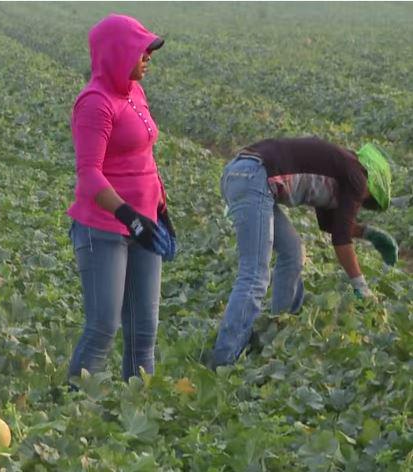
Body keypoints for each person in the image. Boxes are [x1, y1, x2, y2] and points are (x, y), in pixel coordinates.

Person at [211, 138, 397, 367]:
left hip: (246, 174)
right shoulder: (356, 175)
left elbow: (333, 225)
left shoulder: (338, 170)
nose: (360, 202)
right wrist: (360, 286)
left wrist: (369, 234)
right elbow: (341, 239)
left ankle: (279, 328)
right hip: (254, 178)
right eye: (367, 199)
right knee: (254, 275)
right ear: (372, 180)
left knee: (292, 251)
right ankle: (223, 362)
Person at [66, 14, 174, 382]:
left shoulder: (135, 92)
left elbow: (144, 157)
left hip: (145, 224)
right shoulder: (95, 103)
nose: (148, 57)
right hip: (104, 229)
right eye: (141, 50)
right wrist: (129, 216)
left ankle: (139, 409)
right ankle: (72, 410)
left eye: (149, 51)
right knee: (103, 327)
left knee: (144, 331)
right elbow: (89, 175)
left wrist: (160, 208)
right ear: (116, 53)